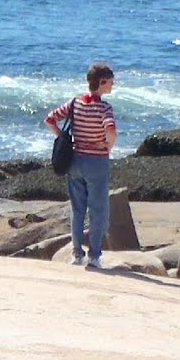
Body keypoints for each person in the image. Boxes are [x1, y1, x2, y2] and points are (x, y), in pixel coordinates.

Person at [46, 62, 117, 268]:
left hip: (75, 159)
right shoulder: (104, 107)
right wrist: (108, 146)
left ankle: (77, 254)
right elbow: (110, 131)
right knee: (98, 210)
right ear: (102, 82)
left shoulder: (75, 103)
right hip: (96, 161)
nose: (112, 85)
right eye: (110, 81)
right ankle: (94, 256)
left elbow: (50, 119)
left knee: (77, 209)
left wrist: (64, 138)